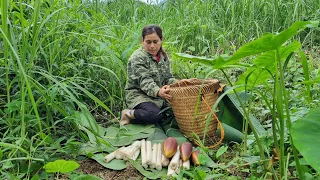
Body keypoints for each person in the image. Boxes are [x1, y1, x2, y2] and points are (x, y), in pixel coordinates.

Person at [120, 24, 178, 126]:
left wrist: (180, 84)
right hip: (139, 95)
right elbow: (144, 81)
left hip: (159, 95)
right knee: (154, 115)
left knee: (179, 110)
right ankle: (128, 114)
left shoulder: (163, 56)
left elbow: (168, 77)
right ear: (142, 41)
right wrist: (158, 91)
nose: (152, 46)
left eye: (155, 42)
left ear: (161, 40)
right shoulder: (138, 57)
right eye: (148, 42)